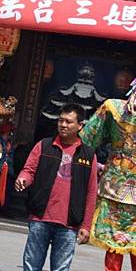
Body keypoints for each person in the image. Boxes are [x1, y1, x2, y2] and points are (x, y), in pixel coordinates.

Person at [16, 103, 97, 271]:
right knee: (31, 266)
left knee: (61, 269)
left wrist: (86, 225)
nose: (63, 125)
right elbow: (29, 170)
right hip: (40, 218)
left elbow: (91, 192)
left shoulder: (88, 155)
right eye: (60, 120)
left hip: (69, 225)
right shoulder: (44, 145)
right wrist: (23, 179)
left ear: (80, 126)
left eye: (68, 122)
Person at [80, 98, 136, 271]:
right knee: (114, 245)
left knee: (114, 247)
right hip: (115, 189)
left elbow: (88, 138)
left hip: (115, 185)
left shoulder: (113, 107)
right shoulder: (112, 107)